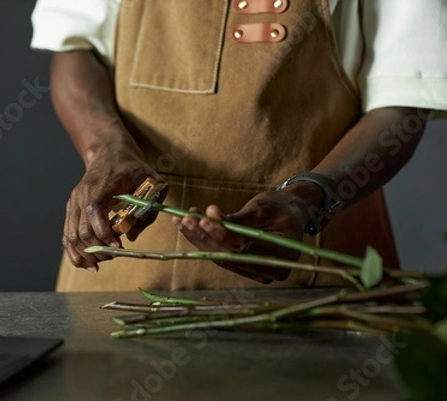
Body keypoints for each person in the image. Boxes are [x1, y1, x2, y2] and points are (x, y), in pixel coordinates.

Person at [31, 0, 447, 291]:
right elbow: (75, 47)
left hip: (316, 275)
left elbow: (404, 102)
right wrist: (105, 152)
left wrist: (309, 200)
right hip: (124, 275)